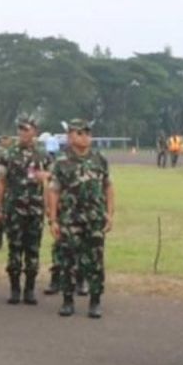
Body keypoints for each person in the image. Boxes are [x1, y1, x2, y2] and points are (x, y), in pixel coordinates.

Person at [48, 118, 114, 319]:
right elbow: (53, 192)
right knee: (67, 260)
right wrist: (53, 220)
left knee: (95, 261)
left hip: (94, 219)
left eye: (88, 133)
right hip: (70, 219)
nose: (85, 137)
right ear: (70, 137)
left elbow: (108, 187)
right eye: (80, 133)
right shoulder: (61, 162)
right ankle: (67, 301)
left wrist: (110, 214)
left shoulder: (99, 160)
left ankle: (95, 301)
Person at [0, 115, 51, 305]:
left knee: (33, 249)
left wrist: (46, 176)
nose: (23, 133)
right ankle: (15, 288)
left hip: (35, 209)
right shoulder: (8, 154)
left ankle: (30, 289)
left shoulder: (43, 155)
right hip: (14, 208)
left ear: (35, 131)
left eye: (26, 129)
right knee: (14, 248)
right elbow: (0, 182)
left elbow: (54, 180)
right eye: (20, 129)